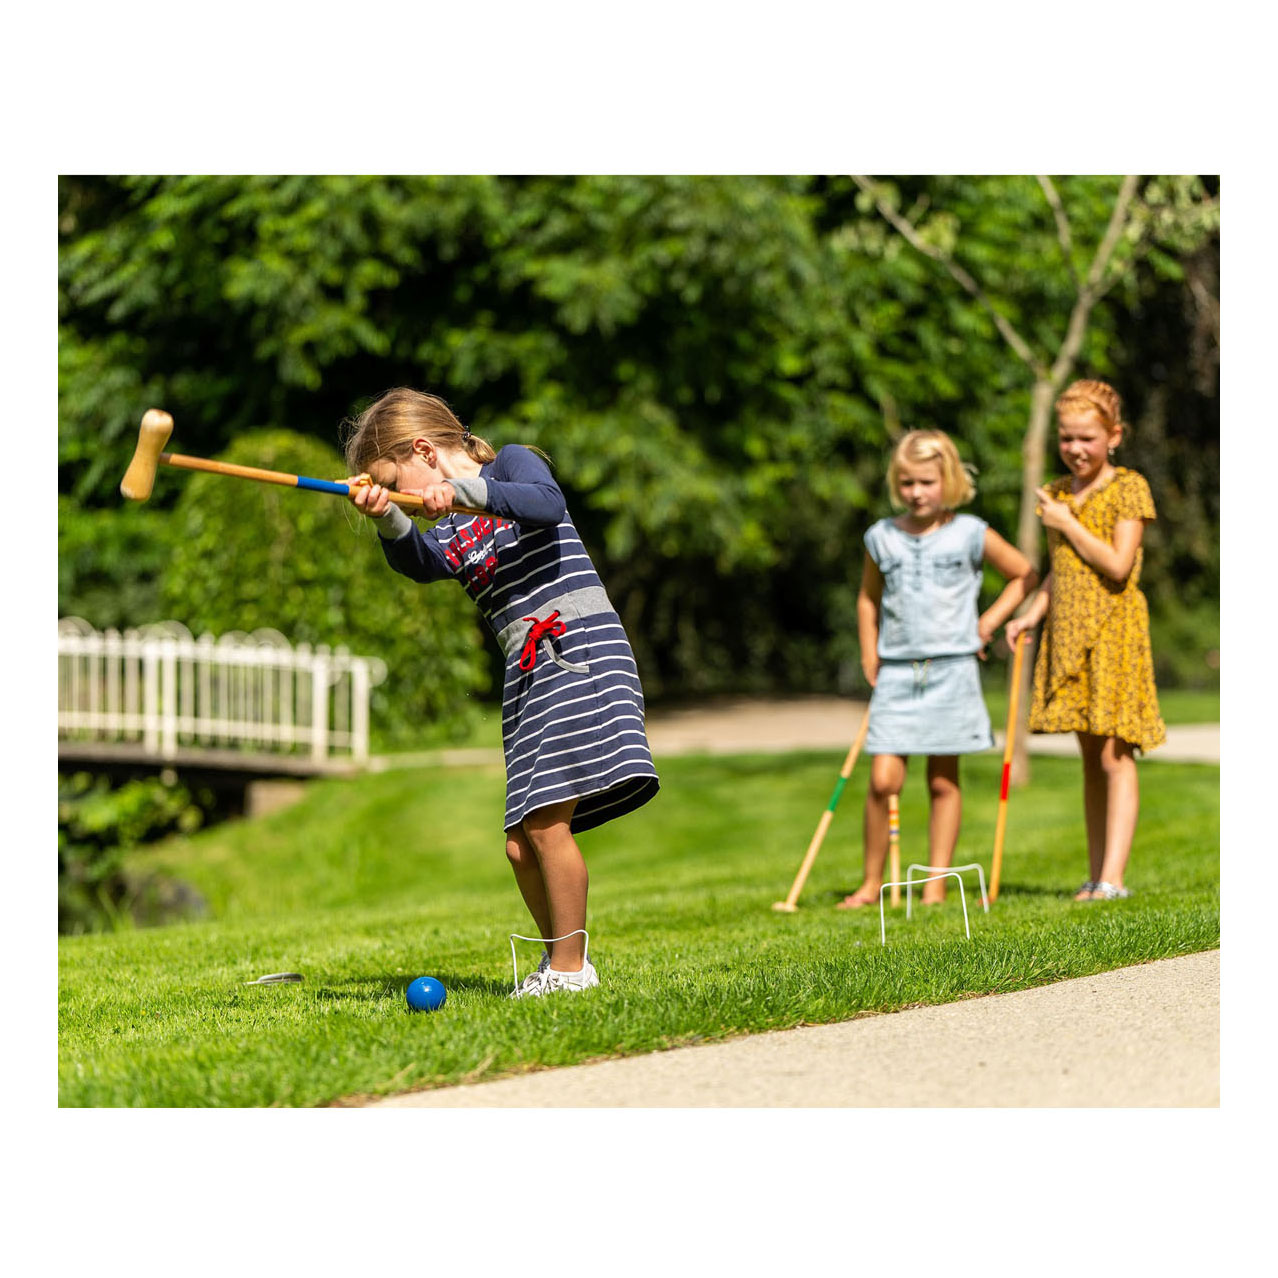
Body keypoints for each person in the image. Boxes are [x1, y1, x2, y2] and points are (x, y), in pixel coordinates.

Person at [341, 387, 659, 994]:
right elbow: (419, 561)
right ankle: (562, 961)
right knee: (521, 845)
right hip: (528, 674)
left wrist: (460, 491)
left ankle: (570, 971)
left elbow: (545, 504)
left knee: (544, 826)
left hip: (576, 651)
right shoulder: (454, 530)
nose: (405, 492)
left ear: (424, 451)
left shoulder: (510, 465)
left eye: (396, 479)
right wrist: (387, 514)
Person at [838, 429, 1037, 909]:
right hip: (898, 671)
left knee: (944, 780)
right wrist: (870, 653)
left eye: (926, 482)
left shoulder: (970, 532)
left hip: (952, 670)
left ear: (947, 480)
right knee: (884, 778)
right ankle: (870, 883)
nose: (916, 493)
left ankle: (935, 884)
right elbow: (868, 598)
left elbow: (1023, 574)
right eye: (906, 483)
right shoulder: (881, 537)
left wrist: (988, 622)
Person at [1006, 379, 1165, 902]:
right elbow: (1062, 569)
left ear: (1114, 436)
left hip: (1114, 632)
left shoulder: (1128, 488)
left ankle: (1114, 879)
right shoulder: (1054, 494)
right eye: (1066, 438)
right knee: (1089, 759)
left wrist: (1067, 523)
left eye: (1087, 439)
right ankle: (1095, 875)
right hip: (1069, 631)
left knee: (1115, 757)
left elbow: (1118, 565)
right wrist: (1033, 610)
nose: (1075, 449)